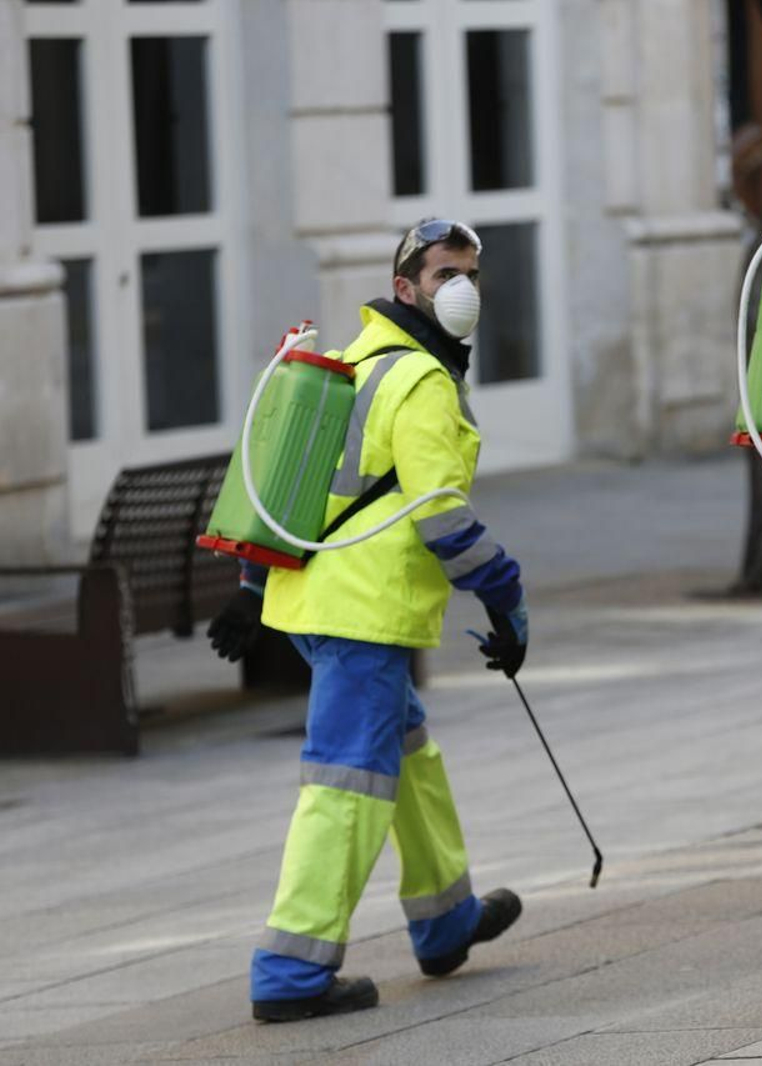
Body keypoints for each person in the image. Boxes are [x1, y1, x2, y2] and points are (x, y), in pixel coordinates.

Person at [207, 219, 531, 1022]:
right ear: (406, 287)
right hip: (366, 611)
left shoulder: (350, 360)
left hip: (318, 603)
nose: (461, 288)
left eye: (471, 274)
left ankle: (445, 917)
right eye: (444, 273)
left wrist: (254, 587)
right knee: (346, 783)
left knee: (408, 756)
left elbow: (283, 484)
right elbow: (442, 521)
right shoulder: (421, 381)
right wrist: (507, 599)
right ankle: (291, 970)